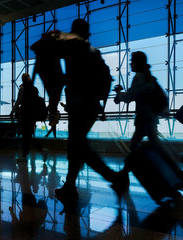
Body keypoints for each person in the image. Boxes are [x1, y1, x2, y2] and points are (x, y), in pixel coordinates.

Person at [32, 19, 129, 199]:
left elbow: (45, 46)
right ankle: (70, 185)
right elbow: (106, 80)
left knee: (78, 146)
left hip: (80, 104)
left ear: (75, 30)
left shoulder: (74, 44)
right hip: (91, 105)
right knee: (76, 145)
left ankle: (114, 177)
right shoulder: (92, 51)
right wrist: (102, 109)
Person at [115, 51, 183, 182]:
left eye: (132, 61)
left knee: (135, 145)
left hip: (144, 118)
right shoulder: (149, 78)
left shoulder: (139, 77)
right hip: (151, 117)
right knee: (149, 145)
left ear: (137, 63)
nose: (130, 63)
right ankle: (178, 172)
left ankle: (126, 173)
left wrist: (119, 93)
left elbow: (130, 96)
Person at [10, 73, 47, 161]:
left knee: (26, 136)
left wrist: (12, 112)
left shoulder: (23, 88)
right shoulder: (34, 89)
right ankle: (26, 154)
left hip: (25, 115)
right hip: (33, 115)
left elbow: (18, 102)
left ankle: (39, 150)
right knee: (27, 135)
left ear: (23, 79)